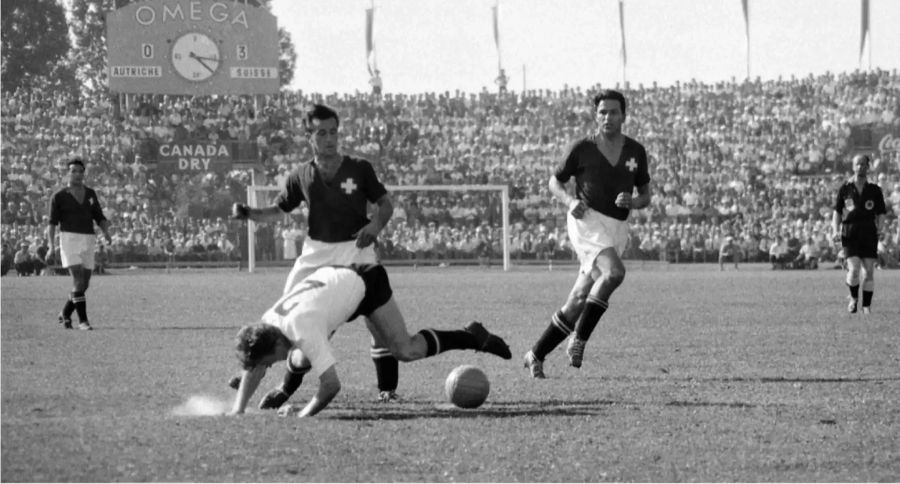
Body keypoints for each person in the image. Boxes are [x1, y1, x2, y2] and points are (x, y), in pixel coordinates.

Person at [230, 104, 399, 403]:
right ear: (309, 136)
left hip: (355, 249)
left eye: (333, 132)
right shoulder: (300, 175)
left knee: (377, 321)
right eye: (322, 133)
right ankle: (263, 372)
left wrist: (374, 225)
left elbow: (385, 204)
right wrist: (249, 213)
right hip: (315, 253)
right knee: (280, 324)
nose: (330, 139)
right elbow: (278, 211)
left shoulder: (359, 168)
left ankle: (387, 388)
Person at [228, 263, 511, 417]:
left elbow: (331, 386)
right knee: (300, 357)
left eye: (271, 361)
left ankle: (471, 337)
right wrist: (237, 410)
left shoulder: (303, 329)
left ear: (276, 344)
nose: (270, 364)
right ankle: (284, 389)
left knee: (405, 350)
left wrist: (303, 415)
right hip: (335, 286)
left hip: (367, 284)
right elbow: (255, 365)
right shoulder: (268, 324)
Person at [523, 90, 651, 378]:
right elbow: (554, 181)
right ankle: (579, 338)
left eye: (614, 112)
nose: (608, 117)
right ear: (596, 115)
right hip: (587, 221)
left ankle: (535, 354)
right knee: (614, 273)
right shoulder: (582, 148)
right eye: (603, 112)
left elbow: (645, 196)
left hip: (617, 228)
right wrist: (570, 201)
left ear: (624, 116)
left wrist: (633, 201)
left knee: (580, 298)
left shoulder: (635, 151)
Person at [47, 158, 112, 330]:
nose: (77, 174)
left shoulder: (90, 193)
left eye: (80, 171)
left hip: (88, 239)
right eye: (73, 171)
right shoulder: (59, 196)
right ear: (67, 173)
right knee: (78, 278)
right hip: (69, 239)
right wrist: (51, 246)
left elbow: (99, 216)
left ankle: (65, 313)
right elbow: (52, 223)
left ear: (84, 173)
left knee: (84, 284)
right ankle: (83, 321)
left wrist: (106, 232)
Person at [831, 154, 887, 314]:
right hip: (850, 233)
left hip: (869, 233)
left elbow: (881, 212)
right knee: (854, 269)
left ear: (868, 167)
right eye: (857, 164)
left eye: (863, 164)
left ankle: (866, 307)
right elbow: (837, 212)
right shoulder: (845, 188)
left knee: (869, 272)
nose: (860, 167)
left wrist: (880, 228)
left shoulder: (875, 190)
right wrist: (835, 230)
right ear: (853, 166)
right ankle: (854, 299)